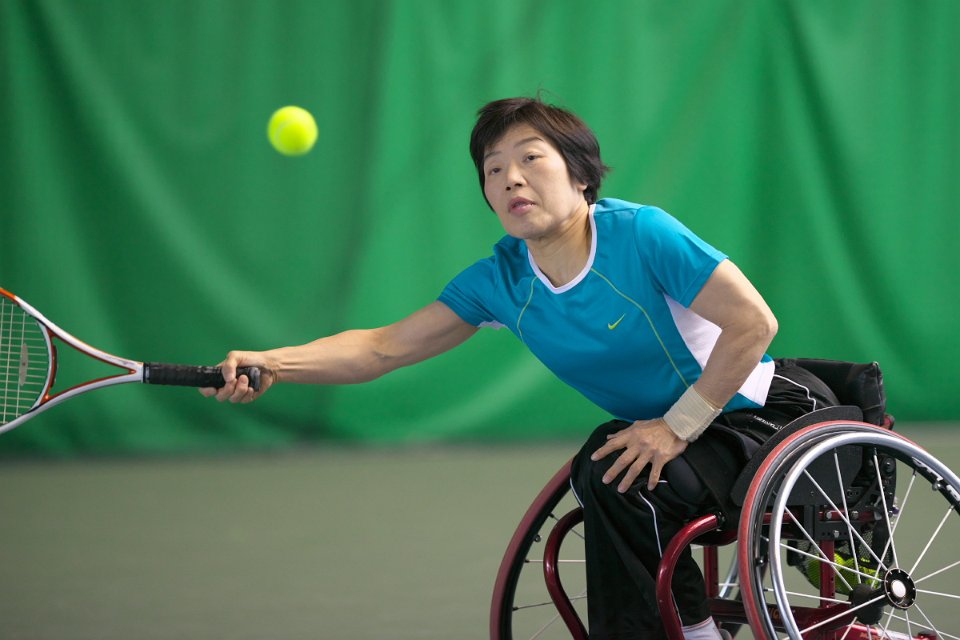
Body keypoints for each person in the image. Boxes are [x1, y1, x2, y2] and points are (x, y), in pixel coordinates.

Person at [202, 97, 839, 639]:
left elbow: (753, 323)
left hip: (759, 415)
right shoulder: (502, 281)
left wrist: (677, 426)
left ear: (581, 176)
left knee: (619, 473)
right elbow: (381, 348)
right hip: (667, 438)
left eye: (531, 158)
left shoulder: (642, 235)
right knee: (609, 467)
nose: (511, 178)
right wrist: (274, 363)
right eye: (493, 168)